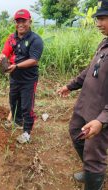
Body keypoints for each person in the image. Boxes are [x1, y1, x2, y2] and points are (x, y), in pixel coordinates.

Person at [57, 1, 108, 189]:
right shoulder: (104, 43)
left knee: (95, 154)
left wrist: (101, 121)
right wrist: (70, 86)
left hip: (101, 113)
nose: (98, 23)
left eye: (102, 18)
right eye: (97, 18)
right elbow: (90, 70)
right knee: (76, 132)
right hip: (85, 105)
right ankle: (90, 171)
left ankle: (95, 178)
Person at [0, 9, 43, 144]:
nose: (20, 24)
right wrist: (1, 58)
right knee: (13, 102)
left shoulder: (35, 40)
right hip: (15, 77)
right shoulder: (12, 38)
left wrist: (16, 66)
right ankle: (17, 122)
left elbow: (34, 60)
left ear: (30, 22)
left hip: (28, 79)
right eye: (18, 21)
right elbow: (5, 52)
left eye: (23, 21)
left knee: (27, 106)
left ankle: (27, 132)